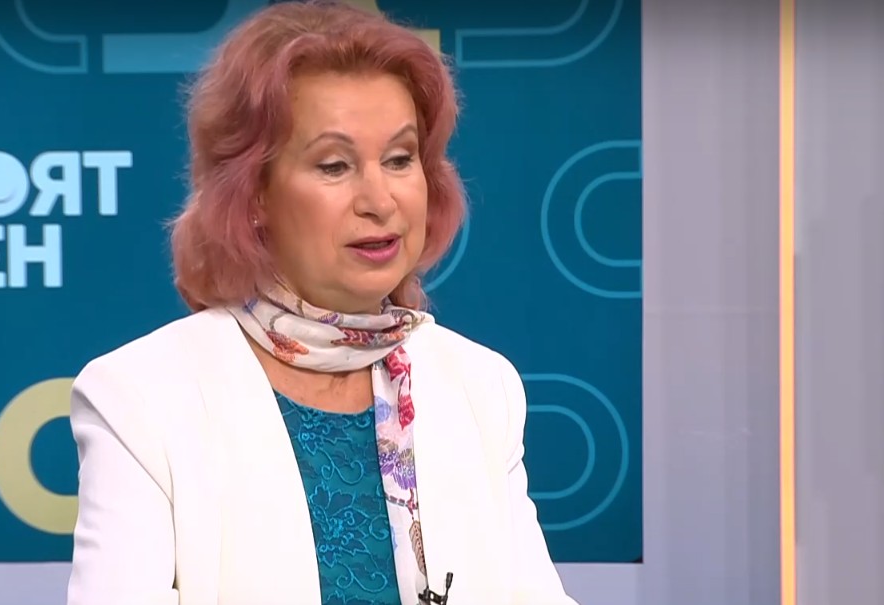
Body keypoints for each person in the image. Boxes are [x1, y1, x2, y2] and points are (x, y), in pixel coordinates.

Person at [65, 2, 579, 604]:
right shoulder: (142, 398)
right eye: (335, 166)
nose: (379, 200)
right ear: (253, 194)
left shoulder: (480, 386)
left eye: (400, 159)